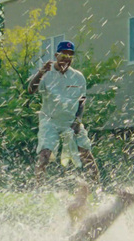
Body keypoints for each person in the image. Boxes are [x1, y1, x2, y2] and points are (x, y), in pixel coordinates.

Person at [28, 40, 99, 181]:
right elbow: (31, 90)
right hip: (50, 120)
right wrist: (41, 72)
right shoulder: (46, 74)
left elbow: (82, 101)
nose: (66, 59)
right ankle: (38, 192)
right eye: (63, 55)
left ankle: (98, 190)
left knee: (86, 154)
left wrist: (78, 120)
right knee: (44, 155)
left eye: (70, 56)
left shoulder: (78, 77)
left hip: (71, 121)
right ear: (56, 55)